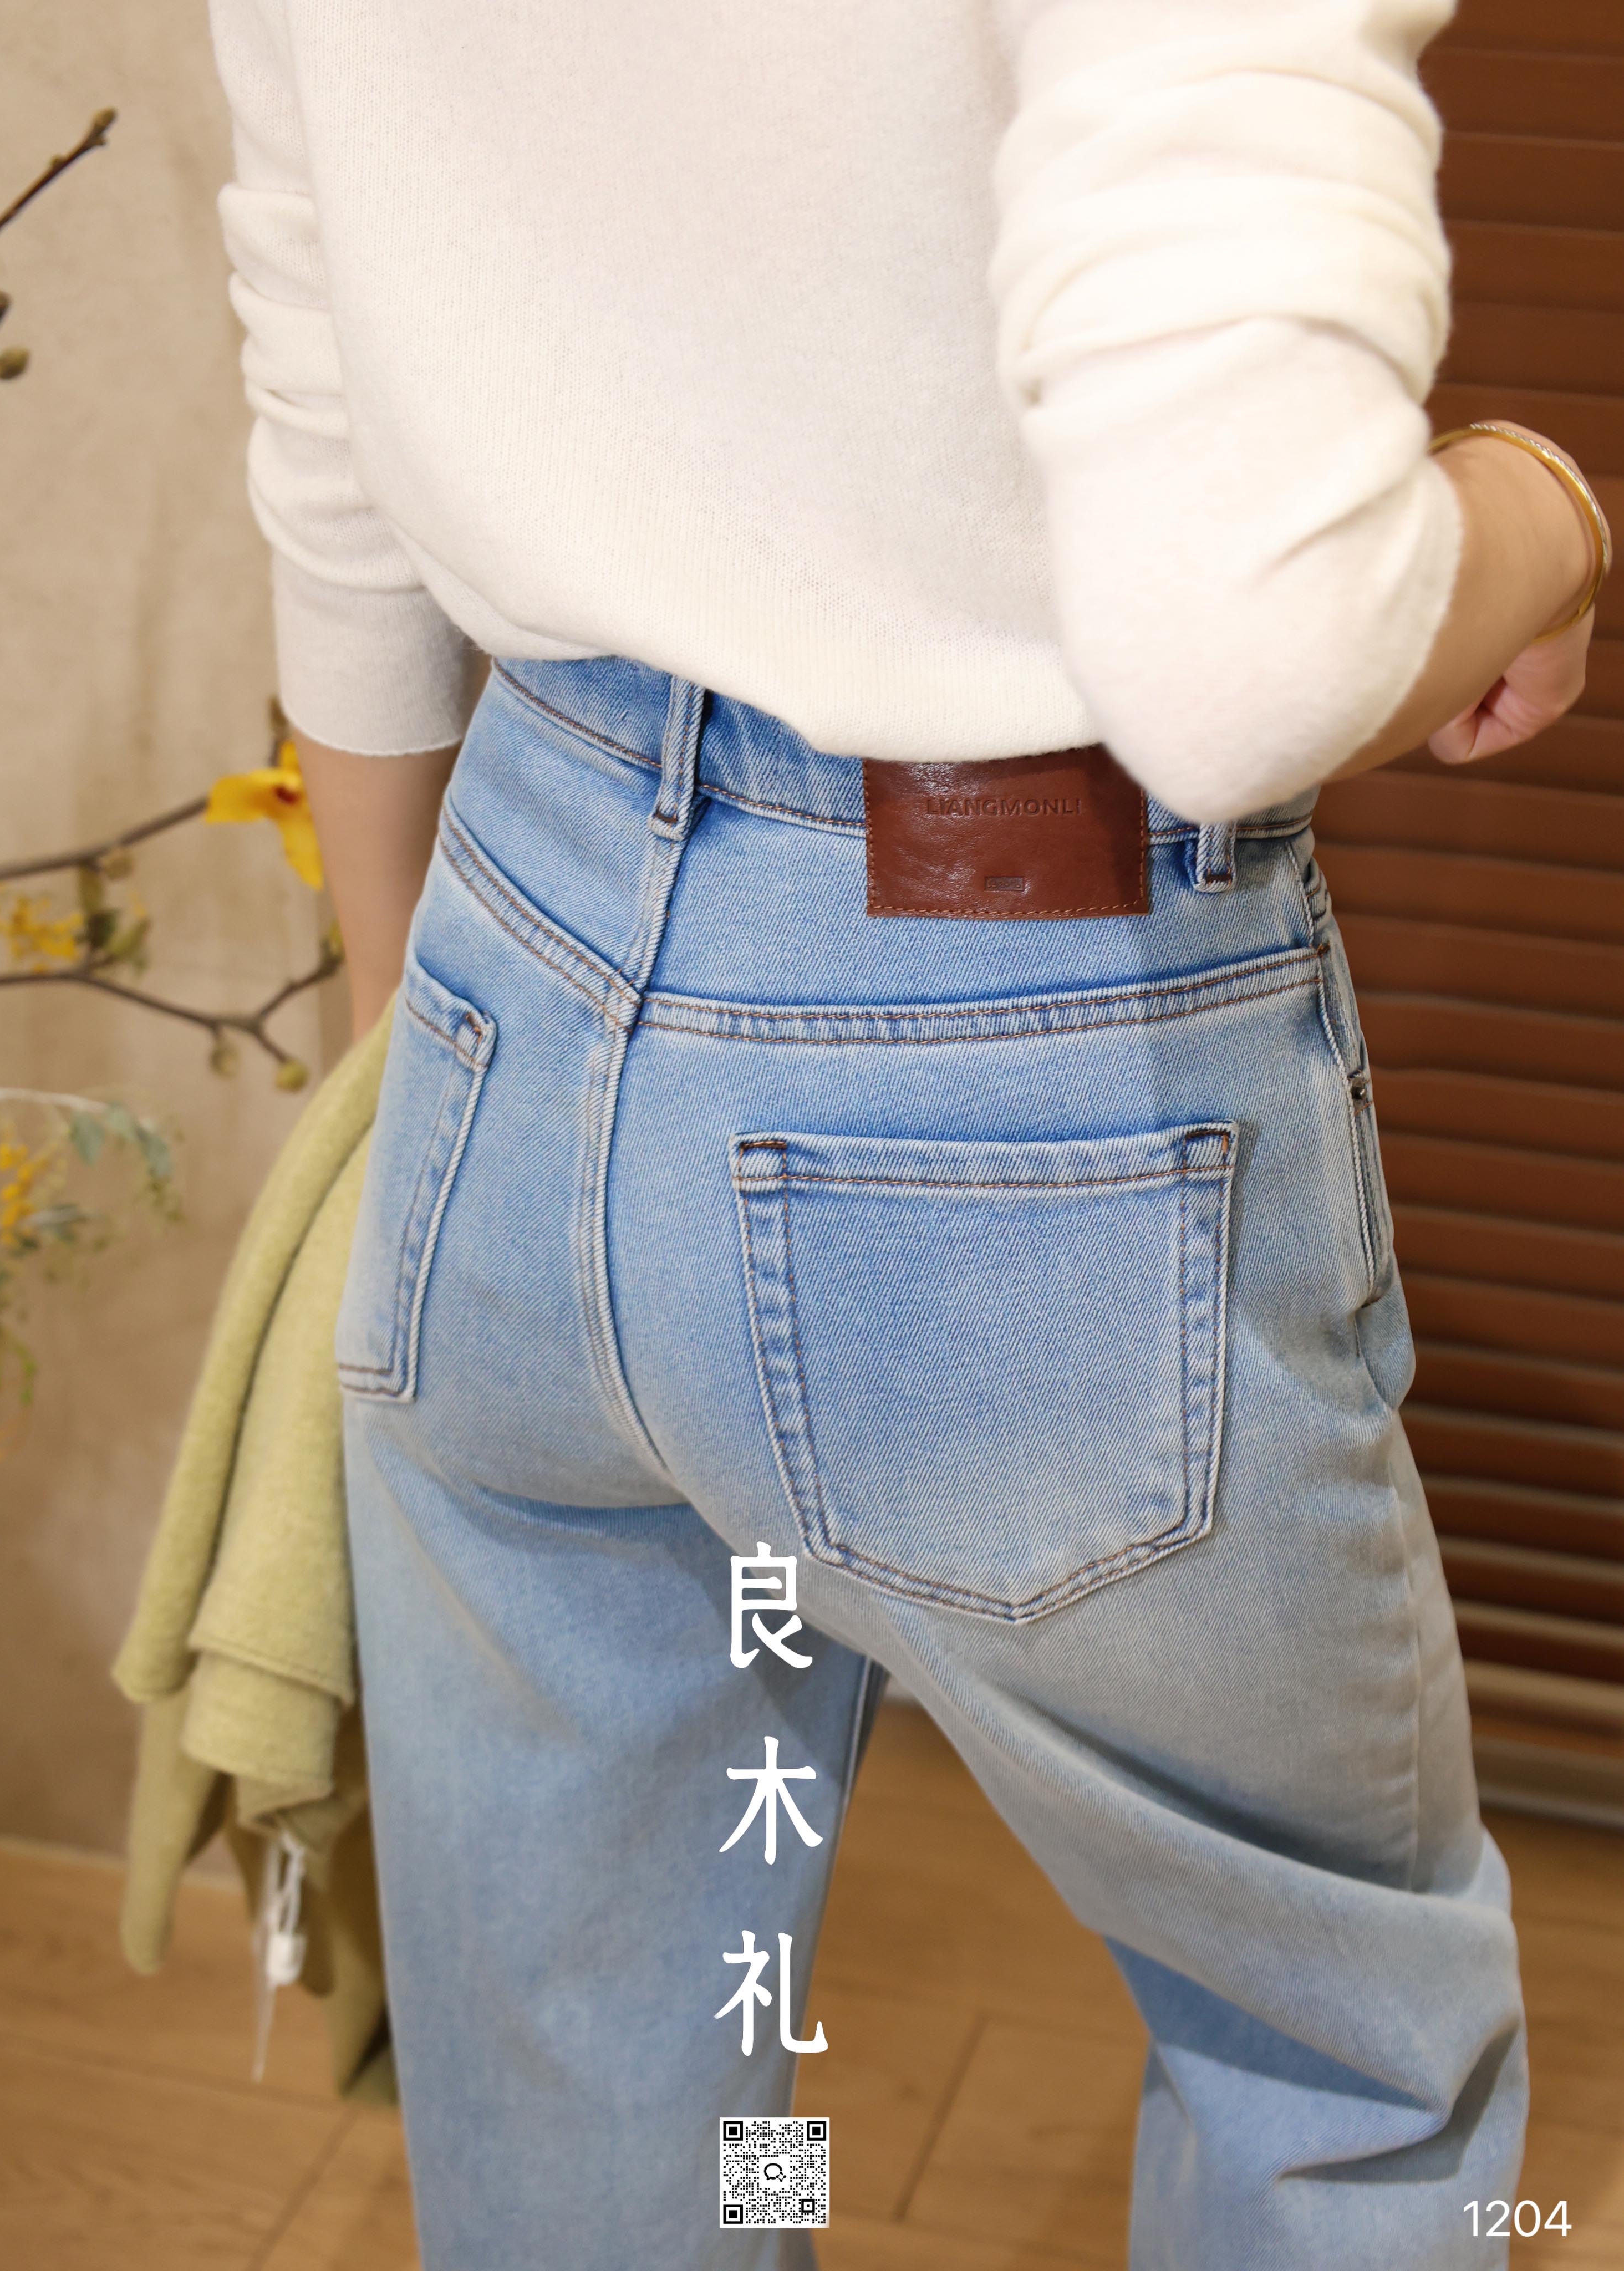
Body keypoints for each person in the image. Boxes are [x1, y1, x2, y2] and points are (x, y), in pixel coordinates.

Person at [208, 2, 1609, 2264]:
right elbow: (1249, 653)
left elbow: (324, 373)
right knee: (1331, 2061)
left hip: (503, 965)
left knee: (591, 2059)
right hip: (1018, 1033)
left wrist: (411, 1035)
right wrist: (1546, 512)